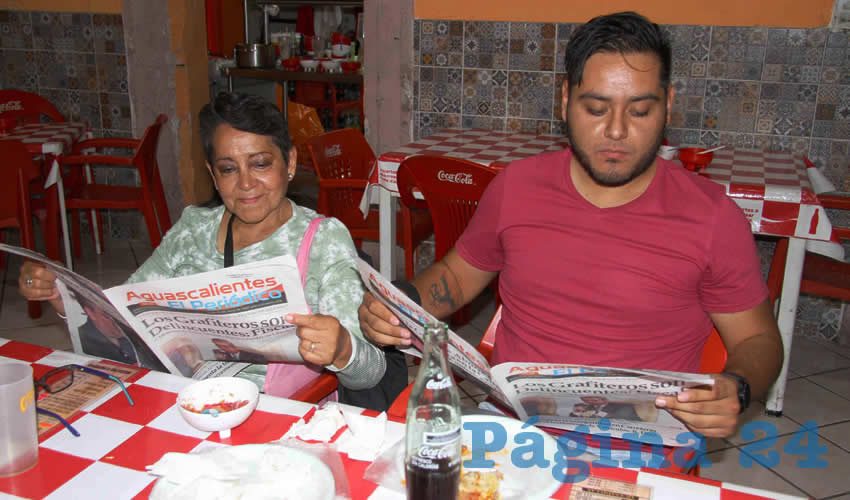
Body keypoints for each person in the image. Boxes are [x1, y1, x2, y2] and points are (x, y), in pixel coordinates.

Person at [358, 12, 783, 438]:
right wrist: (399, 304)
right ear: (565, 100)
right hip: (515, 426)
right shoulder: (516, 188)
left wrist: (738, 388)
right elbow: (456, 275)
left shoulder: (711, 217)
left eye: (639, 111)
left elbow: (758, 340)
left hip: (642, 438)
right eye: (596, 108)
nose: (616, 131)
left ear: (668, 105)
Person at [19, 91, 386, 399]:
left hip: (277, 415)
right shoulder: (193, 229)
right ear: (213, 175)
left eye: (260, 164)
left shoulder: (323, 239)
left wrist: (342, 350)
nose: (246, 184)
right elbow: (123, 319)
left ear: (289, 162)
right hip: (183, 403)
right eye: (228, 169)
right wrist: (63, 296)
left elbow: (371, 373)